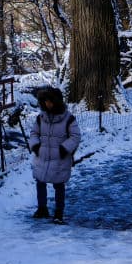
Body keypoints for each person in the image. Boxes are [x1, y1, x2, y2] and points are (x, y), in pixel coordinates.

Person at [29, 86, 81, 224]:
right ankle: (42, 208)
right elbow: (34, 133)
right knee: (40, 182)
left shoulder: (68, 119)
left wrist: (64, 149)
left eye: (50, 101)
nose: (48, 104)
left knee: (59, 185)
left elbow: (75, 136)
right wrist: (35, 146)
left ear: (56, 101)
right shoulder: (41, 118)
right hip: (43, 156)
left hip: (59, 158)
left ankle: (59, 212)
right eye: (45, 101)